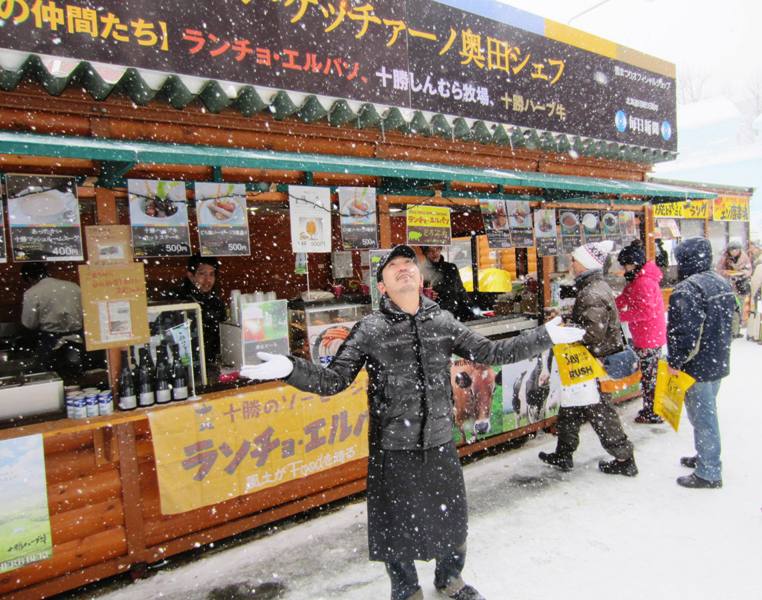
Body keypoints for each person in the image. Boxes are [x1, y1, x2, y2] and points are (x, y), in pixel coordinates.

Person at [241, 245, 584, 600]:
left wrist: (545, 336)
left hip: (438, 438)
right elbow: (334, 380)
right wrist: (290, 368)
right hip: (392, 444)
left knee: (452, 517)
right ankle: (405, 589)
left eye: (409, 264)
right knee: (396, 526)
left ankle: (450, 578)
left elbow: (492, 353)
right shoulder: (370, 329)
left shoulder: (443, 322)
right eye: (394, 267)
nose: (403, 269)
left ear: (421, 279)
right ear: (382, 286)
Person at [539, 240, 638, 477]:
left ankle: (625, 457)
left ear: (584, 264)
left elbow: (592, 332)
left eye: (574, 260)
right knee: (570, 407)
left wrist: (566, 327)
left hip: (593, 362)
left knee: (600, 412)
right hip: (586, 362)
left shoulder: (592, 292)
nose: (571, 263)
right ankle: (564, 453)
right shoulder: (593, 287)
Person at [668, 238, 735, 488]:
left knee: (703, 417)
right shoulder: (720, 282)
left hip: (697, 366)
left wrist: (676, 360)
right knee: (703, 413)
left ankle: (709, 471)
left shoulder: (687, 289)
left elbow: (685, 333)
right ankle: (704, 455)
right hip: (716, 359)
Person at [615, 240, 667, 424]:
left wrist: (619, 317)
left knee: (649, 377)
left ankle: (653, 412)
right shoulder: (637, 280)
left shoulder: (643, 283)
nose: (624, 269)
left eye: (626, 265)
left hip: (649, 336)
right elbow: (624, 298)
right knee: (648, 375)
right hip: (647, 334)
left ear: (634, 264)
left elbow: (646, 312)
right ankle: (651, 408)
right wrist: (612, 307)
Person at [20, 263, 84, 371]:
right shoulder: (74, 287)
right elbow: (86, 311)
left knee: (51, 376)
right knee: (76, 375)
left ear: (30, 278)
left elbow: (29, 323)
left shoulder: (32, 293)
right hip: (78, 339)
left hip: (50, 342)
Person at [169, 255, 227, 363]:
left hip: (211, 363)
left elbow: (223, 337)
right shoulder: (179, 301)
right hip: (186, 363)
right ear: (191, 276)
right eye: (202, 274)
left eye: (211, 274)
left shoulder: (216, 302)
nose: (208, 279)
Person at [419, 245, 476, 321]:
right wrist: (425, 296)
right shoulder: (421, 271)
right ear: (425, 253)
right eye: (430, 251)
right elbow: (416, 296)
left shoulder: (451, 268)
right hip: (434, 317)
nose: (435, 253)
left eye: (437, 249)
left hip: (455, 314)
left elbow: (460, 290)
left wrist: (471, 307)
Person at [716, 240, 752, 337]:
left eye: (736, 250)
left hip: (740, 286)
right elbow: (718, 270)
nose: (734, 252)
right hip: (727, 286)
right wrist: (727, 273)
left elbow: (749, 270)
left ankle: (736, 330)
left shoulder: (744, 257)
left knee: (739, 308)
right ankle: (730, 330)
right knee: (729, 309)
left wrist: (741, 274)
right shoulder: (724, 258)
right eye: (732, 250)